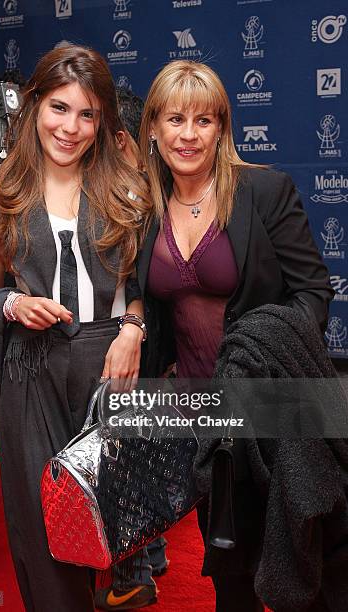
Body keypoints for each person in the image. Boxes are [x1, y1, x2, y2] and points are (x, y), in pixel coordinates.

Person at [137, 60, 334, 612]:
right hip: (200, 415)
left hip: (272, 407)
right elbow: (142, 300)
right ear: (152, 127)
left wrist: (261, 362)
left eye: (204, 120)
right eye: (175, 119)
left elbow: (314, 293)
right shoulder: (145, 210)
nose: (188, 134)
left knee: (301, 561)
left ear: (222, 128)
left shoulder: (264, 190)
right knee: (229, 568)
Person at [0, 45, 150, 612]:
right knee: (39, 529)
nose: (71, 128)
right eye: (58, 108)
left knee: (110, 529)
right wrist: (12, 307)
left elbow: (146, 286)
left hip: (111, 368)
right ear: (33, 107)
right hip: (31, 370)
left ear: (102, 122)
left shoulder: (127, 188)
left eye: (87, 114)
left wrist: (132, 329)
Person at [95, 86, 168, 612]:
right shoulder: (154, 189)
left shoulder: (135, 196)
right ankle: (153, 555)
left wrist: (132, 329)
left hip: (134, 339)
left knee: (123, 455)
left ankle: (135, 573)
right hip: (147, 340)